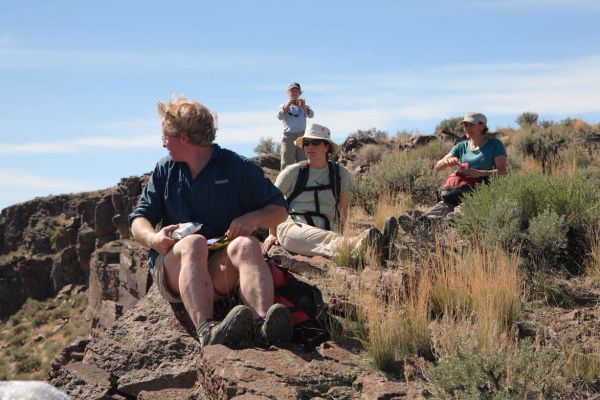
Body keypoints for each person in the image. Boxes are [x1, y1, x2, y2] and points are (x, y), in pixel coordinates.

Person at [129, 95, 292, 349]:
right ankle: (207, 330)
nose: (163, 144)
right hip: (174, 267)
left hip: (217, 268)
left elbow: (279, 210)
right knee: (194, 243)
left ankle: (263, 327)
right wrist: (153, 239)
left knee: (247, 244)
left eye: (166, 137)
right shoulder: (165, 170)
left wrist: (253, 217)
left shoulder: (235, 167)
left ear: (183, 137)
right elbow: (139, 219)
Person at [262, 123, 398, 260]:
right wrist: (272, 233)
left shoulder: (340, 174)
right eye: (306, 143)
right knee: (323, 240)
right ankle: (369, 243)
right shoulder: (291, 172)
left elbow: (342, 211)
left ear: (326, 146)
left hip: (326, 229)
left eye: (315, 142)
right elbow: (273, 203)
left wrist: (341, 232)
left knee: (330, 239)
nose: (310, 147)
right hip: (293, 228)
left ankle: (375, 249)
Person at [400, 112, 507, 231]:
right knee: (440, 209)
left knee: (461, 211)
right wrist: (447, 162)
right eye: (465, 125)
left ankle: (439, 226)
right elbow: (438, 166)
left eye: (470, 125)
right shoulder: (461, 146)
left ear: (482, 126)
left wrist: (479, 173)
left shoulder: (495, 145)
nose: (466, 128)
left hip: (479, 192)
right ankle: (411, 227)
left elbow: (502, 172)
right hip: (458, 190)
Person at [277, 82, 314, 170]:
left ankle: (303, 182)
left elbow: (311, 115)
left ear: (300, 94)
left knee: (304, 162)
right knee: (286, 162)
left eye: (296, 91)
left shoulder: (304, 106)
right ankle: (285, 182)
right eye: (292, 91)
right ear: (288, 93)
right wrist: (288, 105)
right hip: (288, 137)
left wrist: (303, 107)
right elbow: (279, 116)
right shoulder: (283, 106)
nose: (294, 93)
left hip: (302, 137)